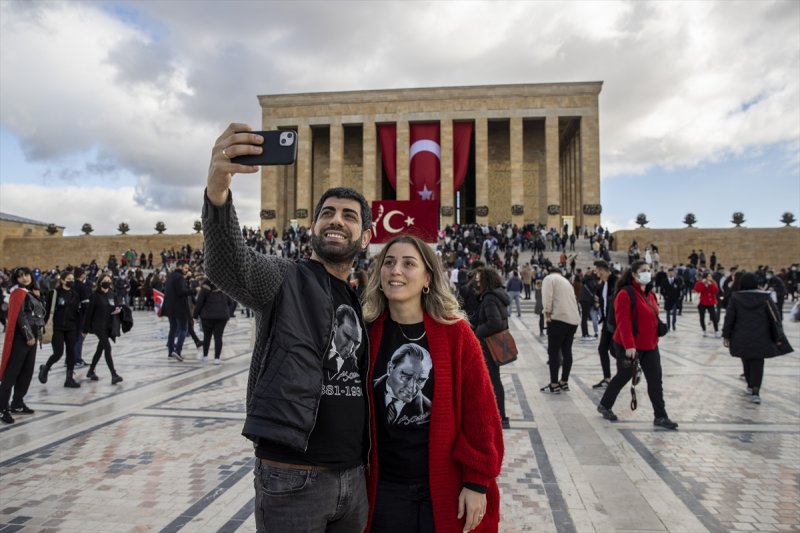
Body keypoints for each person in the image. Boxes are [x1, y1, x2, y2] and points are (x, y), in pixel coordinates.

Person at [203, 123, 372, 532]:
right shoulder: (284, 278)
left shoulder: (362, 301)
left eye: (349, 216)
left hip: (353, 476)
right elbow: (228, 265)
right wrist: (217, 191)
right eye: (327, 213)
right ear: (312, 229)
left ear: (365, 237)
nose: (336, 220)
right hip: (294, 475)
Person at [362, 234, 504, 533]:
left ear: (427, 277)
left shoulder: (456, 334)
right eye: (388, 262)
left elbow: (481, 412)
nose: (395, 270)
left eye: (408, 263)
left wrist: (477, 482)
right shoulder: (368, 333)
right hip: (386, 487)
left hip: (444, 485)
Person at [597, 260, 678, 430]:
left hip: (650, 344)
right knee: (624, 376)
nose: (647, 273)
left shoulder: (650, 294)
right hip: (630, 345)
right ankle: (605, 404)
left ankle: (661, 416)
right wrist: (629, 346)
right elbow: (623, 321)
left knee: (655, 380)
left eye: (649, 270)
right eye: (643, 270)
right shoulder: (625, 294)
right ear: (634, 273)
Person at [722, 272, 793, 404]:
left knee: (746, 359)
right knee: (758, 362)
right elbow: (775, 317)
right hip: (762, 336)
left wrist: (726, 334)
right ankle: (755, 390)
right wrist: (777, 334)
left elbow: (729, 318)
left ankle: (750, 384)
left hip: (741, 335)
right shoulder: (765, 298)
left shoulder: (736, 298)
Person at [0, 267, 45, 424]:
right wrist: (28, 335)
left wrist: (38, 297)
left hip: (31, 339)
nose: (24, 278)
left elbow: (38, 314)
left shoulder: (31, 293)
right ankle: (2, 408)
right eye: (20, 276)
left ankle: (17, 403)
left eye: (26, 275)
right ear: (16, 279)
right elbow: (19, 316)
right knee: (11, 374)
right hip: (22, 339)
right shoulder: (18, 293)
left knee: (26, 372)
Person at [474, 267, 511, 429]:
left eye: (479, 279)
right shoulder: (498, 294)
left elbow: (494, 322)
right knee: (494, 379)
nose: (477, 282)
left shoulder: (489, 297)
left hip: (489, 343)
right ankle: (498, 414)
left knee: (493, 379)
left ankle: (500, 416)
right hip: (494, 342)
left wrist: (476, 332)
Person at [38, 270, 82, 388]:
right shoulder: (54, 293)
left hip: (71, 327)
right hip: (56, 327)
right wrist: (43, 326)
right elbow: (47, 311)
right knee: (58, 353)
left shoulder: (75, 295)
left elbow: (77, 313)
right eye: (68, 279)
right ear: (62, 280)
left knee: (71, 352)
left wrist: (79, 329)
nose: (71, 281)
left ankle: (69, 379)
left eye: (72, 279)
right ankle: (45, 368)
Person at [540, 267, 580, 393]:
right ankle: (564, 382)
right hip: (573, 320)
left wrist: (547, 314)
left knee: (553, 351)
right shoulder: (566, 281)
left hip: (559, 319)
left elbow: (547, 297)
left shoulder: (549, 278)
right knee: (567, 350)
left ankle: (554, 384)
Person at [82, 273, 123, 384]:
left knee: (100, 349)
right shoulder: (95, 296)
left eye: (109, 281)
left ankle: (91, 371)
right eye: (105, 281)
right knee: (107, 348)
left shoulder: (112, 295)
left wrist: (118, 310)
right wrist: (85, 329)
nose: (107, 283)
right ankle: (113, 374)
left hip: (108, 325)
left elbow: (116, 306)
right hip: (98, 326)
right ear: (100, 283)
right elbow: (89, 313)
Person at [192, 278, 234, 364]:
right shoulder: (223, 288)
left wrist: (195, 316)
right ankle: (217, 358)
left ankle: (205, 356)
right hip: (221, 316)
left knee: (207, 336)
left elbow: (199, 303)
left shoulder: (205, 289)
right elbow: (231, 302)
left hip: (207, 316)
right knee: (218, 337)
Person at [592, 260, 618, 389]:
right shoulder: (603, 285)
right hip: (607, 322)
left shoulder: (616, 281)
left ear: (602, 270)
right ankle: (607, 378)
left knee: (615, 351)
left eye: (597, 270)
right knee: (602, 349)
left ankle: (627, 373)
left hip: (617, 323)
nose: (596, 273)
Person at [162, 260, 193, 361]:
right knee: (184, 328)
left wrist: (186, 278)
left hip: (170, 307)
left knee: (173, 328)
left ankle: (171, 351)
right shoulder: (179, 277)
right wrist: (193, 290)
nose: (187, 270)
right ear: (180, 267)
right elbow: (181, 292)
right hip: (179, 307)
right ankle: (178, 351)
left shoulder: (171, 276)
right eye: (185, 268)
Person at [694, 271, 720, 337]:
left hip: (710, 303)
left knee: (714, 317)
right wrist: (703, 283)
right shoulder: (700, 283)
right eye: (709, 276)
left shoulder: (713, 283)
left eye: (710, 276)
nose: (710, 277)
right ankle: (704, 330)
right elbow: (697, 290)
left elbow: (716, 290)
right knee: (702, 317)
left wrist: (710, 284)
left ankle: (716, 331)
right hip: (702, 302)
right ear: (705, 277)